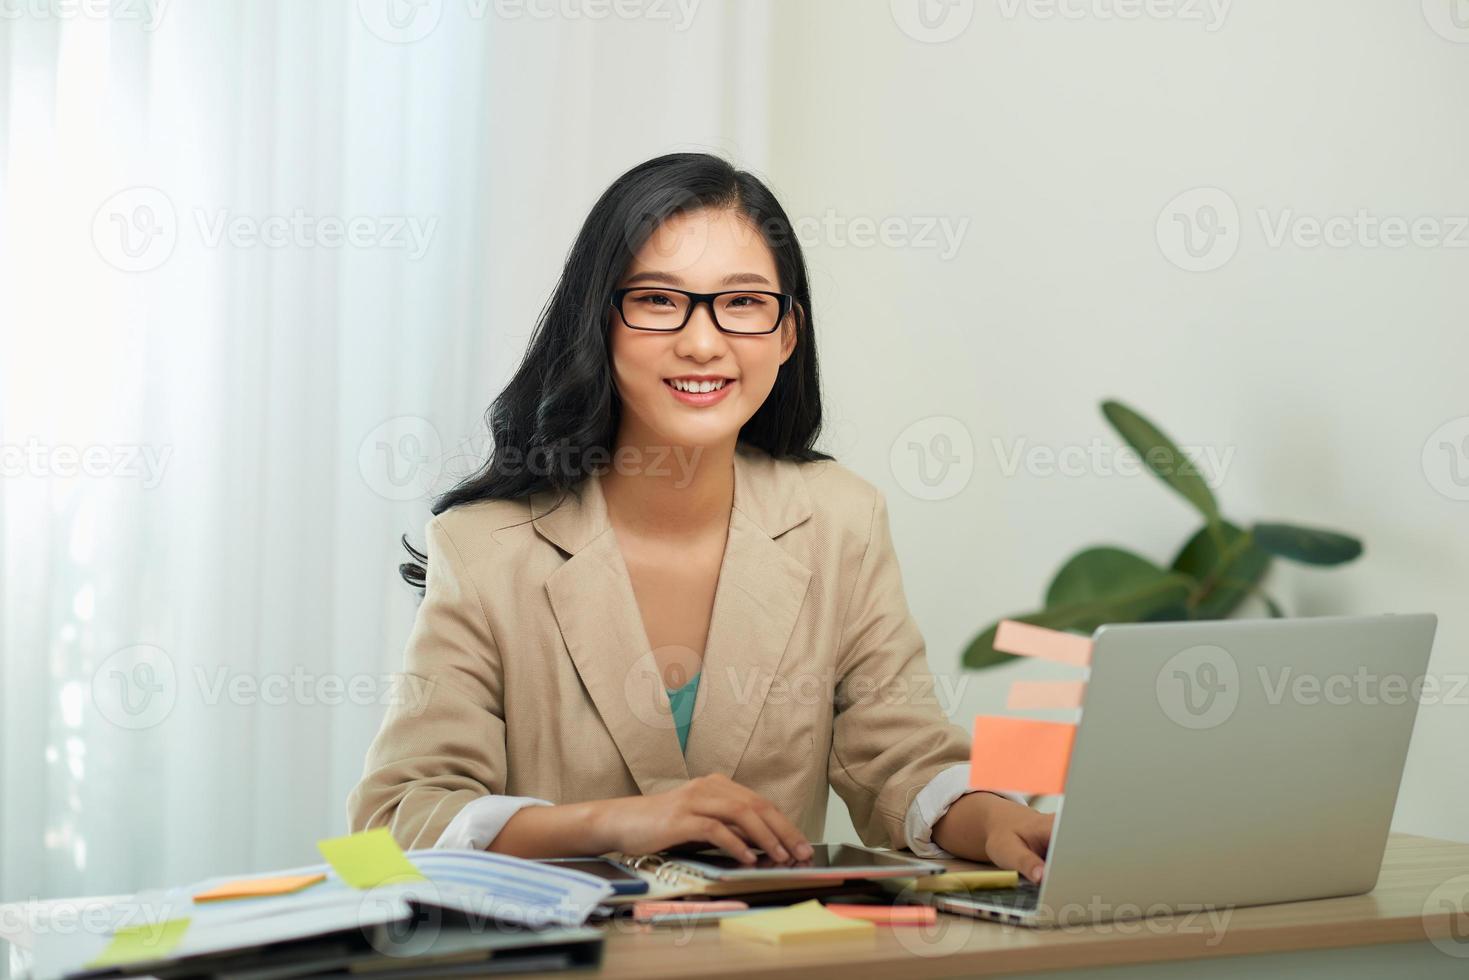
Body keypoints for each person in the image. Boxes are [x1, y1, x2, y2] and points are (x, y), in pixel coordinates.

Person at [347, 152, 1054, 882]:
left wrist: (999, 818)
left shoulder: (840, 519)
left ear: (786, 334)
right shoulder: (485, 546)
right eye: (658, 300)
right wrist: (613, 822)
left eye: (743, 303)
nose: (703, 341)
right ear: (601, 322)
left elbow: (903, 758)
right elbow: (397, 818)